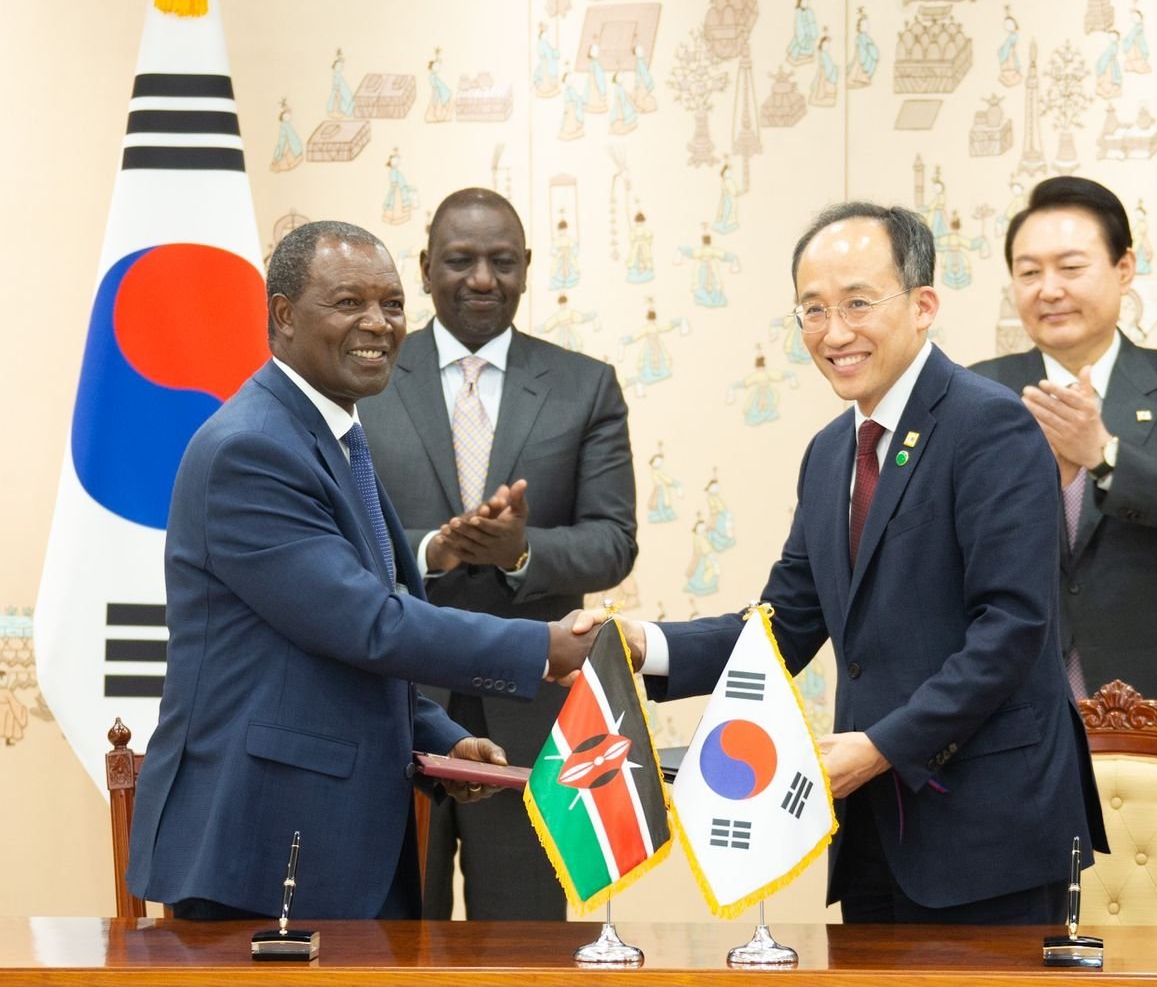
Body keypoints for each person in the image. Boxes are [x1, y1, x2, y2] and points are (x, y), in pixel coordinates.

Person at [624, 203, 1106, 925]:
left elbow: (1011, 628)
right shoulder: (828, 453)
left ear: (923, 305)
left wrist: (882, 747)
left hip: (988, 830)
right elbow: (784, 625)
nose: (835, 332)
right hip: (872, 826)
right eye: (813, 310)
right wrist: (644, 645)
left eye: (857, 303)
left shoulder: (990, 424)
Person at [126, 220, 601, 920]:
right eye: (349, 302)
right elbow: (367, 625)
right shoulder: (252, 450)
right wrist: (542, 647)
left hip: (334, 840)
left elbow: (332, 655)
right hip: (261, 848)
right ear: (284, 315)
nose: (378, 323)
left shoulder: (336, 436)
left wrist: (441, 738)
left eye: (392, 304)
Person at [361, 190, 637, 920]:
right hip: (395, 707)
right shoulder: (366, 379)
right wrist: (431, 550)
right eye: (461, 260)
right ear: (426, 267)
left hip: (534, 724)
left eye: (502, 261)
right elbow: (337, 537)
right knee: (392, 948)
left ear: (527, 267)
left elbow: (613, 540)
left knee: (524, 950)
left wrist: (521, 553)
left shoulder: (585, 385)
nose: (483, 278)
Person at [970, 176, 1157, 761]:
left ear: (1124, 268)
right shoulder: (979, 393)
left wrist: (1106, 456)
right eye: (1029, 272)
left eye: (1070, 267)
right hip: (1017, 704)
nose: (1049, 289)